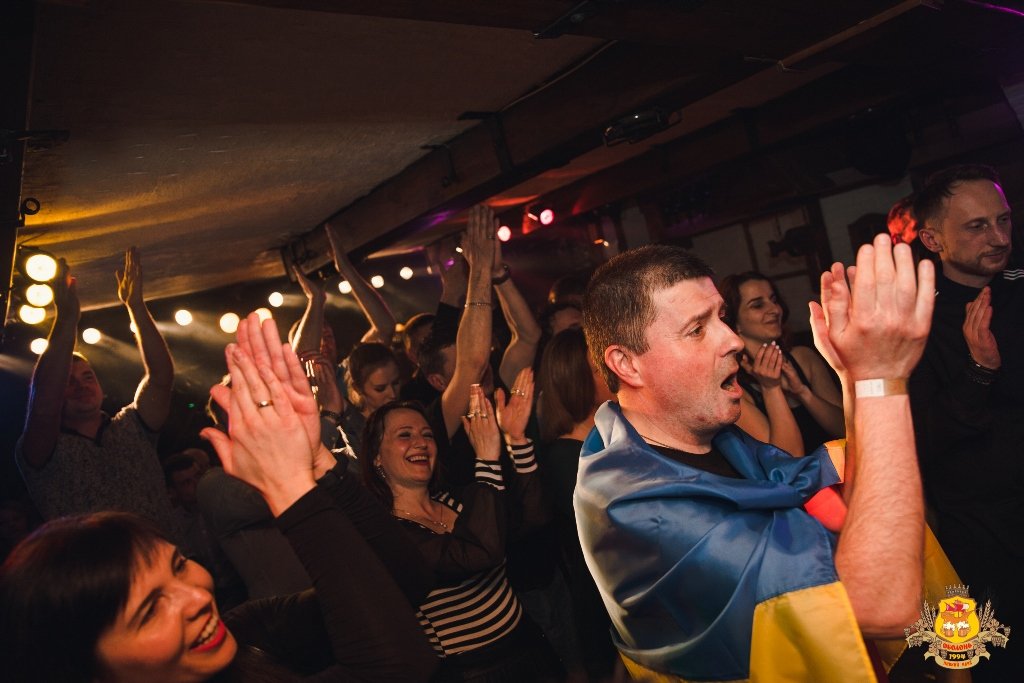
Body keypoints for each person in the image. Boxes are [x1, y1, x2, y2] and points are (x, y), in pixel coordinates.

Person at [0, 313, 438, 683]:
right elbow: (399, 669)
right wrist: (292, 486)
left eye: (178, 566)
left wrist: (319, 461)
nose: (196, 597)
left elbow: (405, 582)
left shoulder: (243, 635)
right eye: (150, 610)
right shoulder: (215, 486)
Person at [577, 235, 938, 681]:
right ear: (627, 364)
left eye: (722, 318)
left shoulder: (710, 440)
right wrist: (881, 378)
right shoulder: (641, 507)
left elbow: (829, 482)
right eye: (697, 329)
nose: (732, 340)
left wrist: (850, 377)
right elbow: (881, 605)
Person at [361, 380, 563, 682]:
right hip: (473, 672)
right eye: (405, 435)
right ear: (377, 456)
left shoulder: (456, 500)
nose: (421, 442)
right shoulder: (390, 535)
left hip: (528, 650)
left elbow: (532, 518)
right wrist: (487, 460)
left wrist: (517, 440)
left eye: (427, 434)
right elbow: (477, 554)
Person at [911, 162, 1024, 681]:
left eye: (1003, 220)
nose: (998, 237)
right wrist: (979, 371)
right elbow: (925, 439)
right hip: (983, 533)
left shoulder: (1019, 284)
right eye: (977, 226)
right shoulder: (918, 321)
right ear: (933, 239)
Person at [15, 248, 179, 539]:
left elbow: (161, 377)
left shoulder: (132, 426)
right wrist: (66, 320)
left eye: (88, 376)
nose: (81, 385)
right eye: (68, 381)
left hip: (165, 555)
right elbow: (43, 408)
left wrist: (136, 307)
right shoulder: (44, 451)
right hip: (99, 567)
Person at [537, 328, 619, 682]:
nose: (613, 372)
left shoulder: (609, 440)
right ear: (577, 380)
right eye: (600, 367)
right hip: (609, 610)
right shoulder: (565, 458)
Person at [720, 271, 844, 453]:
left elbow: (848, 430)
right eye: (757, 305)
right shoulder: (733, 388)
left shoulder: (804, 358)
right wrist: (771, 388)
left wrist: (803, 393)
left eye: (774, 300)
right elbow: (784, 459)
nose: (775, 310)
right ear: (735, 322)